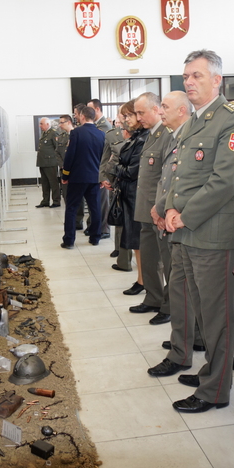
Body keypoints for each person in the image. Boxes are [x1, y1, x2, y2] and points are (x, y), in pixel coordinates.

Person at [165, 49, 234, 413]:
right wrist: (171, 207)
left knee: (217, 317)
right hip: (187, 231)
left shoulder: (233, 118)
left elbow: (224, 181)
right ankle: (211, 371)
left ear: (217, 80)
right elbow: (181, 175)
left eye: (197, 76)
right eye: (186, 76)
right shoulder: (194, 121)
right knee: (200, 311)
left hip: (214, 234)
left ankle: (215, 390)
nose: (189, 82)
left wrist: (184, 215)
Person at [147, 91, 207, 377]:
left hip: (186, 222)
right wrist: (160, 208)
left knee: (189, 290)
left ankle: (187, 345)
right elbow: (168, 179)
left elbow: (189, 183)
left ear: (182, 110)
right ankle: (184, 343)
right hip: (171, 217)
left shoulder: (193, 135)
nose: (161, 112)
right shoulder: (175, 136)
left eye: (166, 107)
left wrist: (164, 209)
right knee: (182, 289)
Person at [129, 92, 172, 323]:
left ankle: (168, 306)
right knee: (148, 256)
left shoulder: (167, 136)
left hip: (159, 211)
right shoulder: (151, 135)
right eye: (136, 112)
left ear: (156, 110)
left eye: (141, 112)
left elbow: (167, 177)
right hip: (145, 209)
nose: (138, 117)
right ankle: (153, 298)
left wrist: (161, 208)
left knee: (166, 261)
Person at [113, 101, 147, 295]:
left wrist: (116, 168)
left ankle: (144, 281)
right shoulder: (136, 137)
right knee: (136, 243)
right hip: (130, 196)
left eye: (128, 116)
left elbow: (131, 170)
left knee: (140, 243)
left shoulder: (143, 139)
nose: (126, 120)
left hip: (137, 196)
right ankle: (141, 279)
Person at [61, 106, 105, 249]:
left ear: (83, 117)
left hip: (77, 178)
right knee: (95, 208)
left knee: (72, 208)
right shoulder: (101, 134)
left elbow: (70, 156)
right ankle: (95, 237)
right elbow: (103, 158)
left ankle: (69, 240)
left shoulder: (76, 133)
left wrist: (65, 174)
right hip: (94, 178)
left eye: (78, 116)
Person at [100, 108, 132, 266]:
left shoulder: (143, 135)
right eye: (121, 117)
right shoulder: (111, 134)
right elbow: (106, 158)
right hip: (117, 184)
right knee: (119, 219)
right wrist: (104, 178)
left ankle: (126, 258)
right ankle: (119, 249)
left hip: (129, 185)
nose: (123, 121)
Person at [87, 99, 112, 239]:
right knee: (96, 201)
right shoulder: (97, 125)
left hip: (102, 168)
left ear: (97, 109)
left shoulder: (104, 126)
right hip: (96, 167)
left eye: (90, 109)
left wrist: (104, 174)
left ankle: (104, 229)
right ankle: (95, 226)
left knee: (102, 201)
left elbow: (107, 151)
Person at [36, 117, 60, 208]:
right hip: (43, 162)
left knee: (53, 182)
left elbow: (57, 148)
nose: (40, 126)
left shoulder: (53, 133)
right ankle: (45, 200)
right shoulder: (44, 133)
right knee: (45, 183)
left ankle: (56, 201)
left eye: (41, 124)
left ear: (47, 124)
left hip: (50, 162)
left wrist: (56, 160)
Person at [56, 115, 74, 205]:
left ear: (69, 122)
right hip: (64, 170)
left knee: (77, 196)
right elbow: (57, 153)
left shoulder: (77, 134)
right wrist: (62, 165)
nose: (60, 125)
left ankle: (78, 218)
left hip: (75, 170)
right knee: (66, 195)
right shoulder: (61, 136)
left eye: (61, 123)